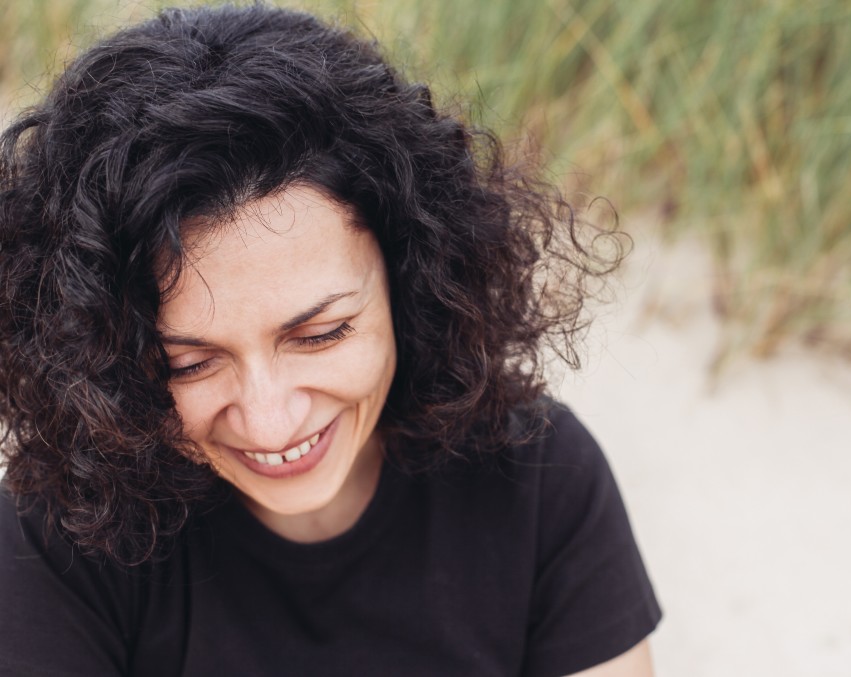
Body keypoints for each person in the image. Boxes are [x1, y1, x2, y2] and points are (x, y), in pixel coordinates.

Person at [0, 4, 661, 676]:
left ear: (414, 281)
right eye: (188, 363)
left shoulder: (539, 474)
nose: (269, 417)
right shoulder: (57, 533)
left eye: (320, 334)